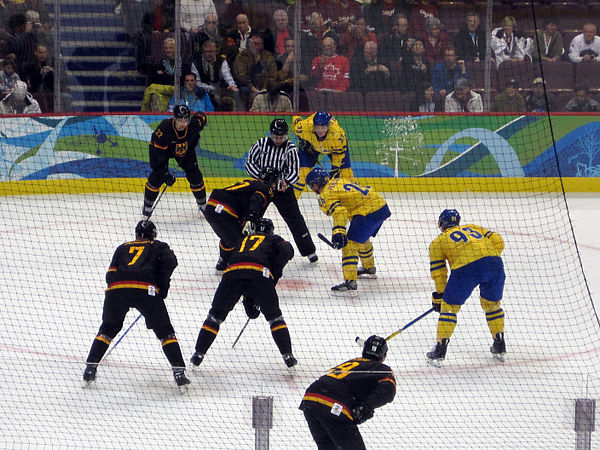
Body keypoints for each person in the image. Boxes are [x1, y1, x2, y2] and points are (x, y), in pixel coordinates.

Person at [82, 220, 191, 390]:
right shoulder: (159, 246)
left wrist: (117, 290)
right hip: (145, 289)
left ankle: (90, 367)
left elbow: (110, 275)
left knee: (107, 329)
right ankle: (178, 372)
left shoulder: (122, 247)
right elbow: (170, 261)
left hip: (117, 289)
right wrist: (162, 286)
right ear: (153, 235)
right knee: (165, 332)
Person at [190, 217, 297, 368]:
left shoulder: (242, 240)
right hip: (259, 274)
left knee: (215, 317)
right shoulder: (274, 239)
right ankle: (288, 355)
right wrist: (275, 272)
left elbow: (234, 263)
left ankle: (198, 353)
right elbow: (288, 250)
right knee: (275, 318)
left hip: (232, 274)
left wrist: (250, 302)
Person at [426, 209, 506, 367]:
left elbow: (439, 273)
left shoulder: (438, 242)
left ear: (441, 224)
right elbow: (498, 240)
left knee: (449, 308)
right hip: (495, 264)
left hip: (466, 269)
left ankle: (440, 349)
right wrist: (488, 256)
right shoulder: (473, 228)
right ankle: (499, 344)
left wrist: (440, 296)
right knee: (492, 306)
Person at [299, 335, 396, 450]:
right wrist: (367, 406)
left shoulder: (353, 362)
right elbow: (388, 390)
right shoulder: (382, 368)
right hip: (333, 404)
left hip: (310, 399)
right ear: (383, 355)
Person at [305, 168, 391, 294]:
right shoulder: (338, 181)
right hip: (381, 206)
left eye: (313, 185)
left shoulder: (325, 195)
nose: (313, 188)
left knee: (349, 244)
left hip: (368, 212)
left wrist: (338, 232)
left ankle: (350, 282)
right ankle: (369, 268)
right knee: (361, 238)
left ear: (317, 183)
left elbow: (340, 211)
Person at [246, 118, 318, 263]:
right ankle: (243, 248)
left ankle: (309, 251)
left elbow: (294, 171)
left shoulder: (291, 149)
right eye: (275, 137)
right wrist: (261, 176)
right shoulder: (260, 144)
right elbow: (249, 164)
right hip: (261, 188)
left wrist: (286, 181)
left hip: (282, 190)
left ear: (286, 135)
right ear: (270, 134)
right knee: (251, 216)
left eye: (281, 137)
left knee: (295, 219)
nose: (278, 140)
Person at [204, 168, 280, 271]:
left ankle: (223, 262)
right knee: (240, 241)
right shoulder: (266, 188)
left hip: (211, 206)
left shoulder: (252, 182)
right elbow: (256, 198)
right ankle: (235, 265)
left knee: (229, 236)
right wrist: (251, 217)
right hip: (225, 210)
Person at [142, 104, 208, 217]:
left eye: (186, 120)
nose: (183, 123)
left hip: (184, 150)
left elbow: (202, 116)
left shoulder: (193, 125)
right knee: (157, 177)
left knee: (195, 175)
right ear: (174, 118)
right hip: (160, 151)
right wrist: (165, 174)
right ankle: (147, 206)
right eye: (180, 120)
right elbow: (160, 157)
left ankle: (202, 205)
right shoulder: (163, 130)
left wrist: (194, 140)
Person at [292, 111, 353, 197]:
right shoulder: (304, 127)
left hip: (334, 149)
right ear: (314, 125)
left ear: (328, 126)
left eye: (323, 127)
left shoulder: (337, 135)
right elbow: (296, 120)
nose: (320, 130)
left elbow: (338, 155)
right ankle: (291, 206)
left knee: (346, 176)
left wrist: (335, 169)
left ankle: (349, 200)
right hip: (311, 146)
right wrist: (303, 140)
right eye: (318, 127)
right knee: (301, 175)